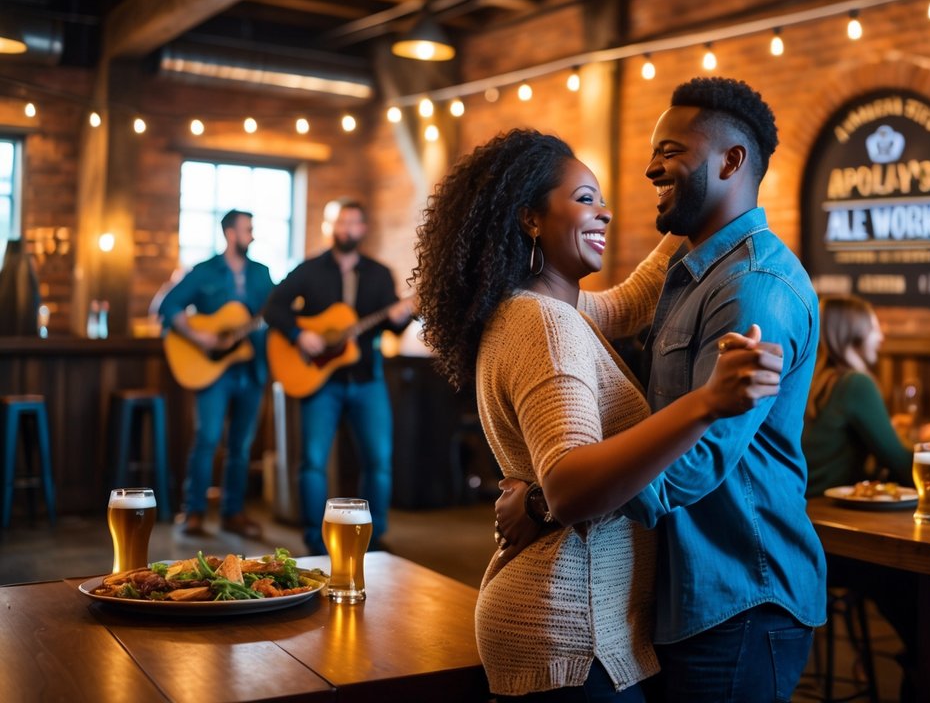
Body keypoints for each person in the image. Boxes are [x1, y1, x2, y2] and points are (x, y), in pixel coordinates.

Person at [412, 128, 784, 701]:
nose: (604, 213)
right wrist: (706, 402)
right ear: (531, 218)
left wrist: (689, 211)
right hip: (569, 628)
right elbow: (568, 485)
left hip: (566, 619)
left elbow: (631, 301)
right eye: (585, 199)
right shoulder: (546, 324)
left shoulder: (539, 307)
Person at [501, 77, 827, 702]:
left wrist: (547, 501)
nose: (651, 168)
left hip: (737, 595)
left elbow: (693, 462)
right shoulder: (691, 268)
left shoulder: (753, 287)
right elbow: (584, 310)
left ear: (732, 160)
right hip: (680, 595)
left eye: (670, 150)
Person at [263, 199, 413, 555]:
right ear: (329, 228)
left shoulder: (379, 273)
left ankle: (373, 541)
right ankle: (315, 543)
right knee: (313, 462)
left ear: (363, 229)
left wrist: (402, 316)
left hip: (366, 379)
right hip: (321, 382)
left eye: (353, 223)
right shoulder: (309, 270)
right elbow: (273, 308)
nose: (346, 229)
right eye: (340, 223)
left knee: (378, 460)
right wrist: (301, 335)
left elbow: (392, 326)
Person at [159, 209, 274, 538]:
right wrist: (200, 336)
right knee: (207, 439)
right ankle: (193, 512)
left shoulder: (263, 274)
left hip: (251, 369)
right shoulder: (204, 271)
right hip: (213, 371)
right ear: (230, 233)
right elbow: (168, 306)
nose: (251, 235)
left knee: (241, 445)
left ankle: (233, 513)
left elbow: (276, 311)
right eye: (246, 229)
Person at [803, 294, 913, 496]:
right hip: (827, 508)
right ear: (852, 332)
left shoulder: (815, 380)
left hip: (801, 503)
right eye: (873, 328)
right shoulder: (855, 383)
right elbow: (903, 465)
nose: (881, 336)